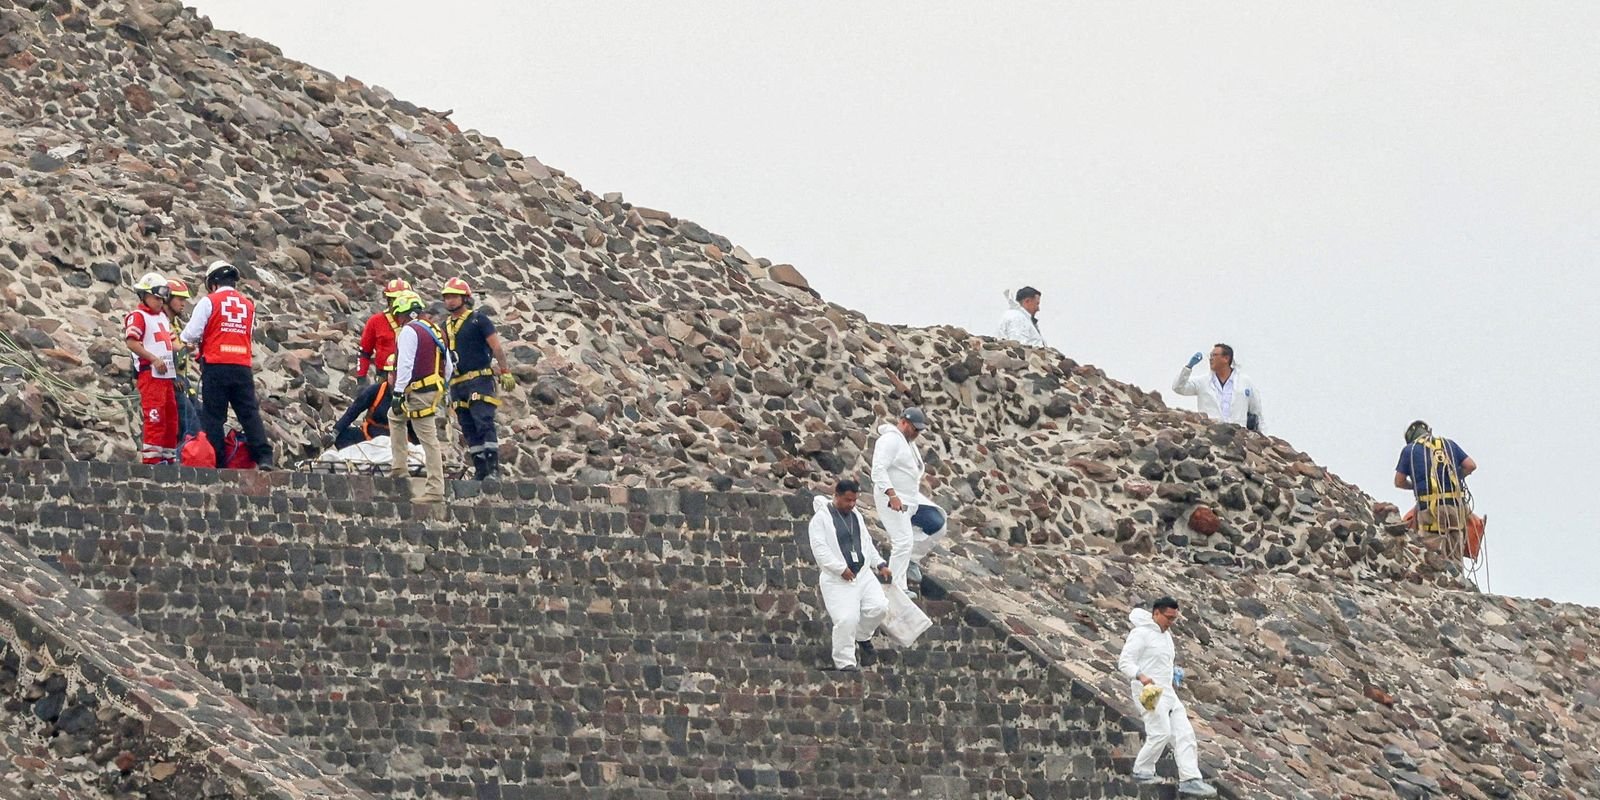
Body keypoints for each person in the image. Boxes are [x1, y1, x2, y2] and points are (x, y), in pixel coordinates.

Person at [1117, 597, 1218, 797]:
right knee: (1160, 732)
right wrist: (1141, 676)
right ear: (1156, 613)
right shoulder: (1141, 633)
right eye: (1168, 618)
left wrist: (1173, 673)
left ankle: (1190, 779)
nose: (1171, 622)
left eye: (1174, 619)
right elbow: (1125, 661)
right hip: (1148, 691)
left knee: (1185, 733)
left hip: (1167, 692)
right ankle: (1142, 770)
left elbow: (1160, 661)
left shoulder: (1166, 636)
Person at [180, 260, 274, 470]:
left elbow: (190, 334)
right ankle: (264, 457)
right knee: (249, 413)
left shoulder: (209, 301)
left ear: (213, 283)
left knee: (214, 416)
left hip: (216, 366)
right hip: (242, 367)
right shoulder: (248, 305)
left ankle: (217, 461)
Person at [808, 480, 892, 671]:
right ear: (836, 496)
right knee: (846, 620)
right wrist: (840, 569)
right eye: (848, 500)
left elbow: (866, 542)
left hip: (863, 574)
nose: (852, 504)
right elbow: (820, 550)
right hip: (837, 579)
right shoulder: (820, 520)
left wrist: (879, 564)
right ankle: (845, 661)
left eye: (854, 500)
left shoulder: (856, 516)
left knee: (879, 607)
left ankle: (862, 636)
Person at [441, 277, 513, 481]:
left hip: (479, 379)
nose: (450, 301)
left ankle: (493, 468)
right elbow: (443, 355)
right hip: (457, 383)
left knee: (483, 421)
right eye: (447, 297)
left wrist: (505, 370)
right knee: (468, 426)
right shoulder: (445, 326)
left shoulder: (478, 320)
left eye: (454, 296)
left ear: (465, 298)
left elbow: (496, 346)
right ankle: (480, 470)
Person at [870, 408, 948, 595]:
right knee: (903, 541)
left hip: (911, 497)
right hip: (892, 497)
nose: (917, 433)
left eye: (919, 430)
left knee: (938, 523)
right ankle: (895, 587)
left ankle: (911, 558)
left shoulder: (907, 442)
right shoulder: (890, 440)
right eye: (915, 429)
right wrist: (892, 495)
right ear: (903, 422)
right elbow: (878, 469)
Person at [389, 291, 454, 503]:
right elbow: (449, 365)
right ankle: (399, 468)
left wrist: (398, 392)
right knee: (395, 417)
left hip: (417, 391)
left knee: (428, 438)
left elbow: (405, 364)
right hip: (433, 388)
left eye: (399, 315)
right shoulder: (436, 330)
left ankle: (435, 490)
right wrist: (443, 387)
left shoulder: (410, 331)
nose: (398, 320)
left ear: (406, 314)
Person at [124, 273, 177, 464]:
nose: (160, 302)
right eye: (156, 298)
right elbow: (131, 342)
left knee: (171, 420)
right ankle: (152, 463)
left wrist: (187, 347)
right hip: (150, 375)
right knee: (155, 418)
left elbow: (172, 343)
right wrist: (153, 359)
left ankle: (168, 460)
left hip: (167, 377)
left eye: (162, 299)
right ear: (144, 295)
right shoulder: (138, 316)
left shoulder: (163, 317)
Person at [1394, 420, 1477, 539]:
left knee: (1432, 545)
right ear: (1428, 431)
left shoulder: (1409, 450)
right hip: (1456, 506)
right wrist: (1454, 476)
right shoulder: (1449, 445)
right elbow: (1470, 465)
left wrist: (1415, 485)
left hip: (1430, 509)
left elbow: (1399, 481)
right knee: (1456, 542)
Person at [1171, 343, 1264, 432]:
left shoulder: (1245, 382)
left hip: (1238, 435)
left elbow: (1256, 410)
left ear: (1226, 358)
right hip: (1211, 433)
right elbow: (1178, 388)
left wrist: (1260, 433)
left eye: (1214, 355)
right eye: (1210, 356)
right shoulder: (1203, 382)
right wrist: (1188, 367)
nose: (1211, 359)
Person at [330, 355, 405, 449]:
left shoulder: (413, 396)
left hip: (397, 443)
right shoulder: (376, 390)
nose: (394, 378)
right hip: (370, 437)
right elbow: (354, 410)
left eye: (398, 374)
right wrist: (336, 431)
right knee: (342, 436)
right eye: (391, 373)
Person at [165, 278, 202, 444]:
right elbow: (163, 352)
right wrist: (173, 377)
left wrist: (186, 349)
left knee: (199, 415)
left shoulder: (174, 324)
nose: (183, 304)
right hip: (172, 380)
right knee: (192, 426)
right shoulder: (161, 323)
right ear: (167, 298)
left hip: (181, 379)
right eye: (179, 299)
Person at [356, 278, 412, 386]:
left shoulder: (417, 322)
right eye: (394, 299)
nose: (399, 304)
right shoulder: (375, 321)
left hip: (412, 377)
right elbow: (364, 352)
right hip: (384, 376)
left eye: (403, 300)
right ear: (388, 300)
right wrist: (361, 378)